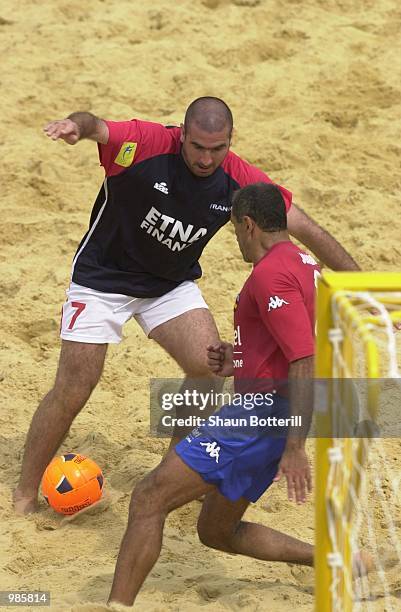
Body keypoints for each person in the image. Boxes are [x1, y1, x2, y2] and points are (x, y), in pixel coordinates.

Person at [14, 97, 359, 515]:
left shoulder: (239, 177)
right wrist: (74, 125)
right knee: (76, 384)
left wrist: (361, 289)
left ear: (230, 141)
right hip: (102, 278)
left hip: (169, 285)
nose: (207, 158)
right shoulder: (147, 143)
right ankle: (24, 496)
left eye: (218, 148)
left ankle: (170, 472)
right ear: (182, 133)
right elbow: (97, 125)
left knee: (207, 367)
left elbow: (307, 228)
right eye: (197, 147)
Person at [106, 183, 319, 606]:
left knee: (149, 497)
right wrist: (239, 358)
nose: (236, 239)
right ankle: (335, 560)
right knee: (216, 532)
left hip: (259, 419)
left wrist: (295, 445)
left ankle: (114, 605)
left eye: (235, 230)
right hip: (268, 414)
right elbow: (290, 344)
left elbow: (303, 359)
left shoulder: (271, 273)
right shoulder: (304, 262)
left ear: (249, 224)